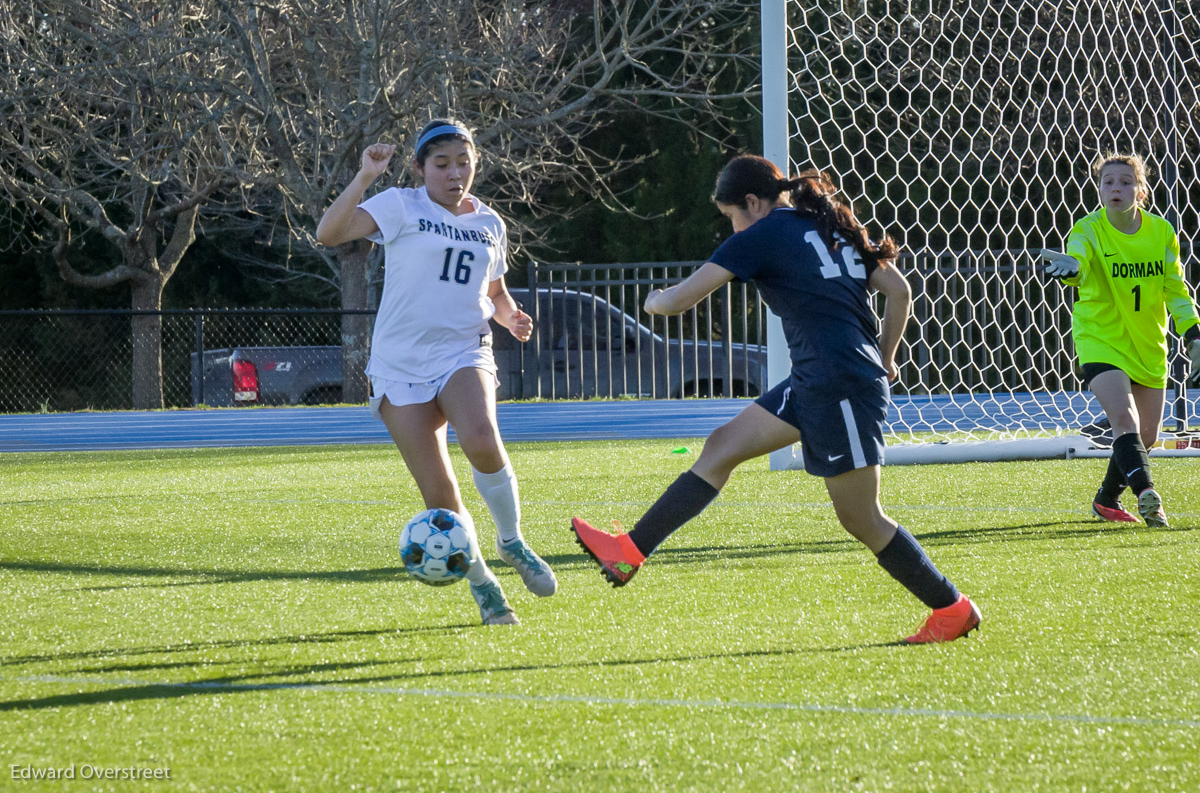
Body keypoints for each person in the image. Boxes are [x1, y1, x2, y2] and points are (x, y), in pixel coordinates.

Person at [571, 155, 981, 644]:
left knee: (862, 519)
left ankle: (951, 607)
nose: (733, 226)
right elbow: (898, 289)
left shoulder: (762, 234)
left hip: (841, 384)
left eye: (732, 216)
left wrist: (653, 299)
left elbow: (678, 301)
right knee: (721, 446)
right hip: (819, 378)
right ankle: (628, 553)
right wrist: (886, 357)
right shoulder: (825, 222)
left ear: (751, 202)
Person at [316, 118, 557, 626]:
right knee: (440, 498)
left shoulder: (491, 223)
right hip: (398, 366)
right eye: (442, 164)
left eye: (463, 163)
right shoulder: (401, 204)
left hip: (462, 351)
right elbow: (329, 233)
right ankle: (485, 586)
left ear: (475, 165)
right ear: (421, 168)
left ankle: (512, 541)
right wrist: (364, 177)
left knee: (482, 437)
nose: (454, 173)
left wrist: (509, 314)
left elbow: (493, 293)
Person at [1042, 152, 1200, 528]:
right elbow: (1077, 262)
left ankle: (1107, 500)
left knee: (1147, 436)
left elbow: (1175, 288)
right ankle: (1149, 497)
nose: (1116, 188)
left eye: (1125, 182)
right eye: (1108, 182)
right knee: (1123, 420)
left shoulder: (1162, 232)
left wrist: (1193, 334)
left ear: (1141, 191)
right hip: (1100, 336)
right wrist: (1073, 270)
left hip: (1147, 342)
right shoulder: (1087, 229)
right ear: (1099, 189)